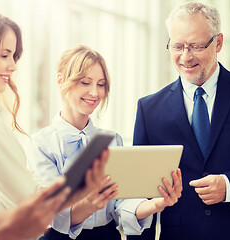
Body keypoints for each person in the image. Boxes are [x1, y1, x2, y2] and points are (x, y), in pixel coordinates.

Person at [0, 9, 110, 239]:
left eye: (14, 56)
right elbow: (27, 198)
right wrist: (79, 189)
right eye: (4, 55)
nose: (13, 66)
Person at [27, 45, 182, 240]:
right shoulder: (40, 144)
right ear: (61, 80)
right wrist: (91, 204)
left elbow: (121, 204)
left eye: (101, 84)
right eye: (85, 82)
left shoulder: (111, 140)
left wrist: (157, 204)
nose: (95, 92)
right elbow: (54, 214)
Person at [130, 1, 230, 240]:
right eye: (177, 46)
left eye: (195, 46)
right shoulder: (149, 110)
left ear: (218, 42)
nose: (185, 57)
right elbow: (141, 194)